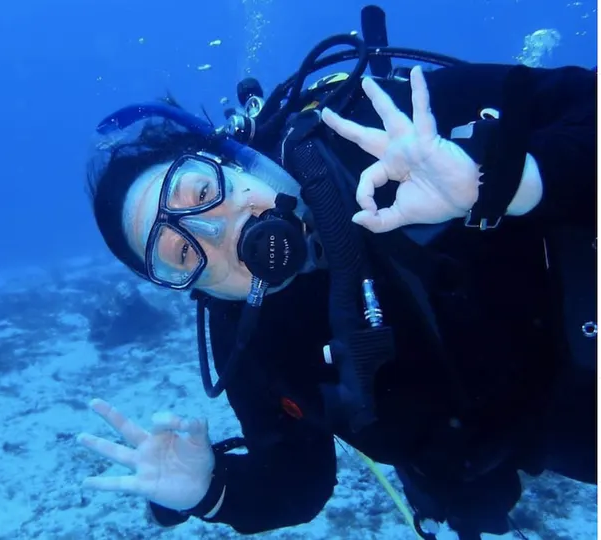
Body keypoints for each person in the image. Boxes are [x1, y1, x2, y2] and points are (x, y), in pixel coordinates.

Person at [77, 8, 597, 540]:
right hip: (546, 436)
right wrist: (211, 492)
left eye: (202, 193)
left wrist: (509, 181)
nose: (217, 234)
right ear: (188, 288)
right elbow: (299, 479)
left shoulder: (376, 129)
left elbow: (586, 102)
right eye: (181, 255)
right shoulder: (247, 338)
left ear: (234, 158)